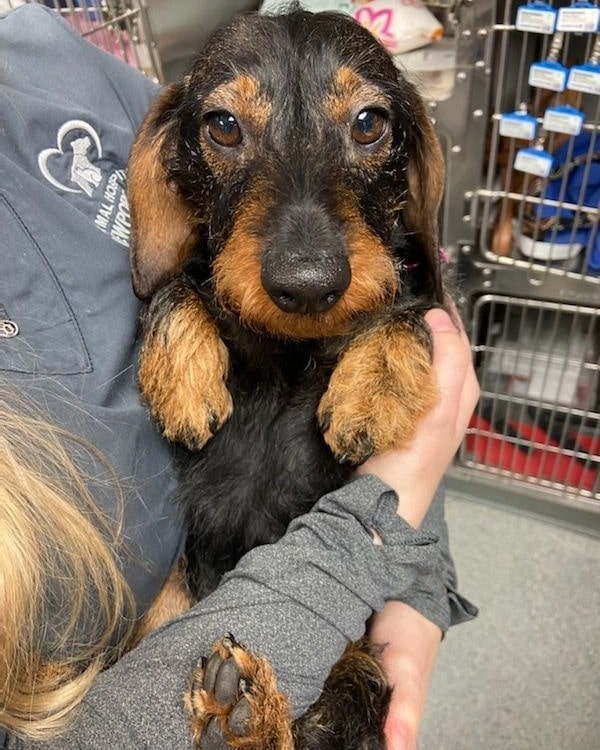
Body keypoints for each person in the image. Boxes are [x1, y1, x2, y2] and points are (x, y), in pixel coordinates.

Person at [0, 4, 478, 749]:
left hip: (341, 611)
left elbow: (406, 420)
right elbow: (168, 265)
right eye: (228, 130)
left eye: (367, 127)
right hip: (143, 644)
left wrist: (415, 576)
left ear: (416, 164)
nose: (309, 271)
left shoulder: (58, 56)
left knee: (349, 697)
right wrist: (176, 310)